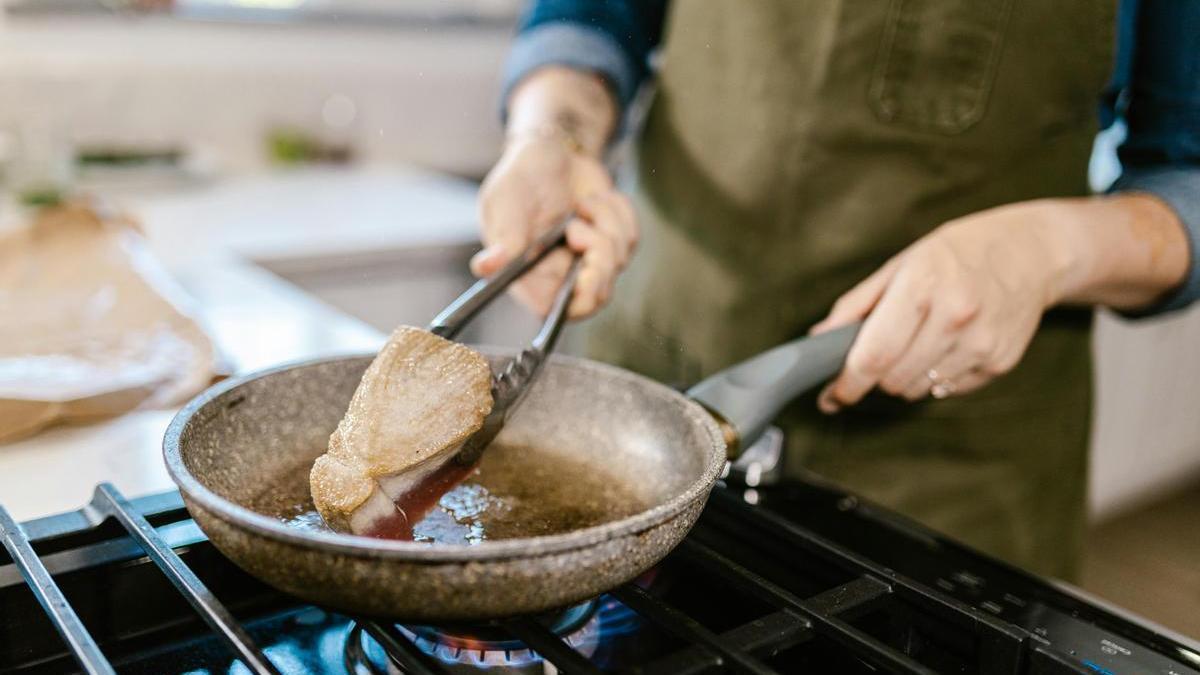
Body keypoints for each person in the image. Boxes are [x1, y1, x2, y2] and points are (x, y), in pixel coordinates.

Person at [472, 0, 1200, 579]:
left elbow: (1186, 174)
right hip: (645, 404)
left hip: (948, 478)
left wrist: (1049, 249)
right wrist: (550, 135)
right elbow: (591, 16)